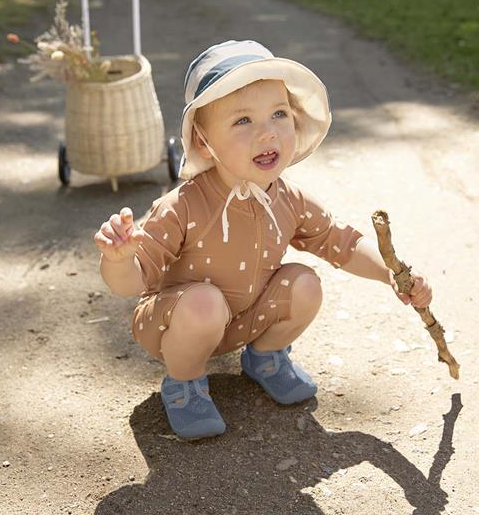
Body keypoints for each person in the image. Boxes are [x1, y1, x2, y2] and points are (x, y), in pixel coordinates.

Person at [94, 40, 432, 440]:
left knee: (304, 283)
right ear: (204, 142)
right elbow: (132, 282)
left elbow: (340, 241)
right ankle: (183, 385)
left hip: (245, 318)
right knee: (203, 302)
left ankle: (265, 357)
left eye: (278, 114)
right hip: (177, 322)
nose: (267, 132)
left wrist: (392, 274)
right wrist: (118, 259)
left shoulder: (288, 198)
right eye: (243, 121)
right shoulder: (183, 206)